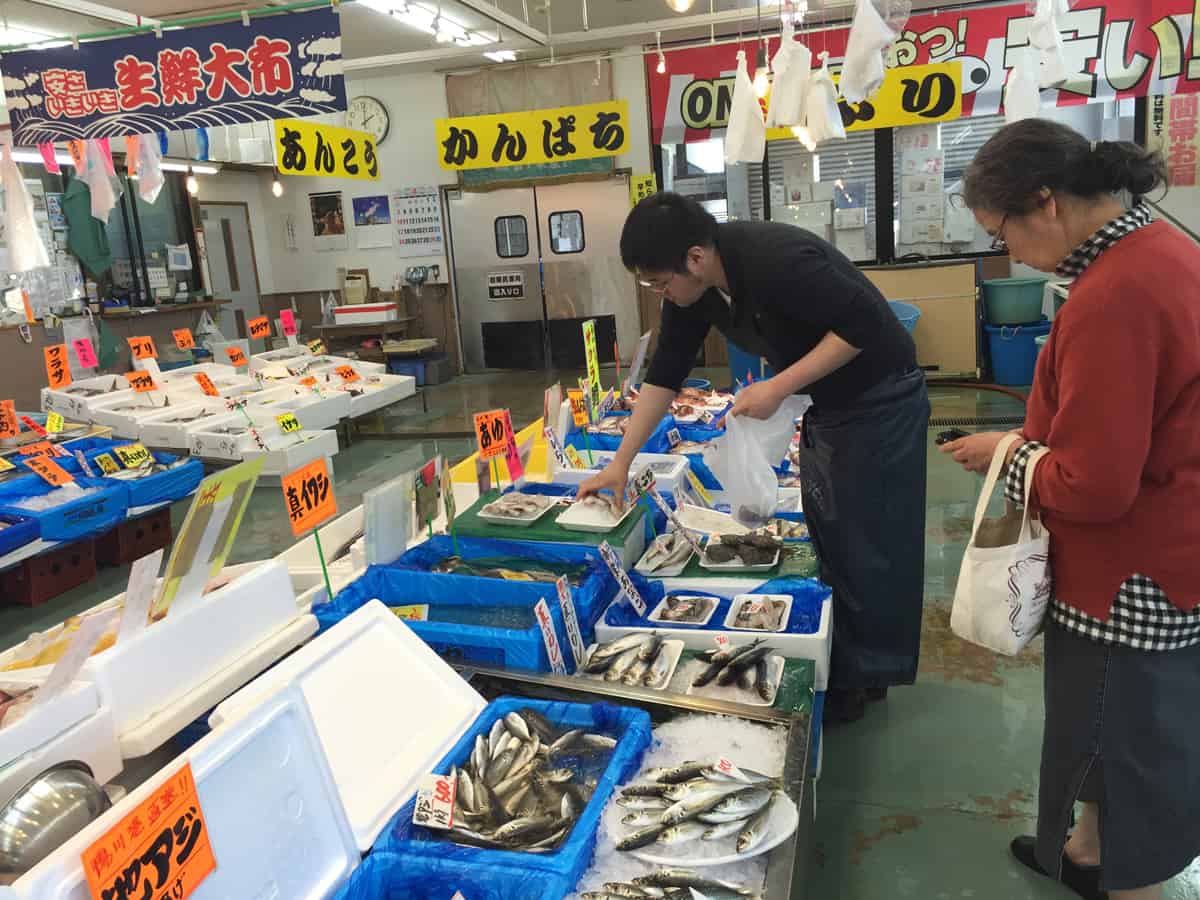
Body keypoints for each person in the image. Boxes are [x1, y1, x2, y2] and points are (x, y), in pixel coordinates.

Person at [941, 119, 1200, 900]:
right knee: (1101, 727)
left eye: (1004, 233)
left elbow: (1094, 485)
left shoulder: (1115, 295)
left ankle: (1128, 882)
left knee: (1126, 738)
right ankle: (1087, 851)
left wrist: (1009, 453)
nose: (1010, 254)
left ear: (1046, 202)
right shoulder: (1159, 248)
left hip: (1128, 573)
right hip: (1171, 547)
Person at [578, 192, 930, 723]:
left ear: (695, 258)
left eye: (659, 282)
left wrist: (777, 388)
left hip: (882, 398)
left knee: (871, 541)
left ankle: (862, 680)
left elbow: (863, 326)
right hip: (830, 404)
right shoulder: (696, 291)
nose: (661, 294)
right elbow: (665, 374)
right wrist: (620, 462)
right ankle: (853, 670)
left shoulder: (777, 258)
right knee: (835, 532)